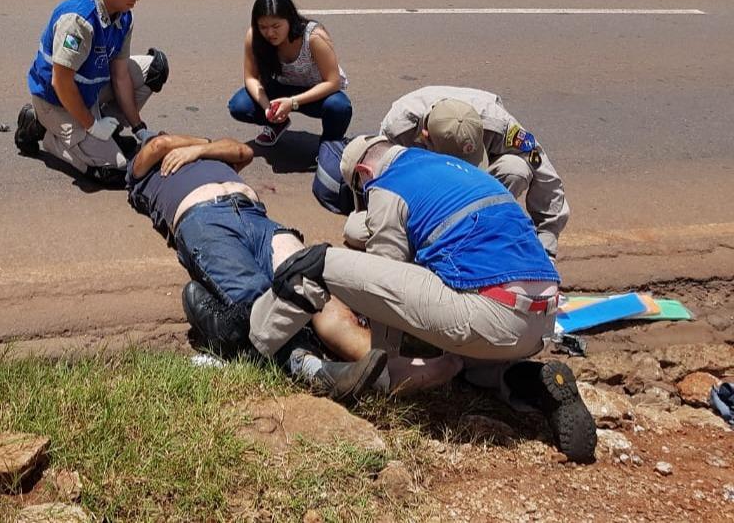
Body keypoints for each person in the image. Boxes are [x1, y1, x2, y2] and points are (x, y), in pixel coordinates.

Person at [250, 135, 597, 462]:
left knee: (313, 263)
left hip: (490, 312)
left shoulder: (388, 185)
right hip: (539, 320)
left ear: (363, 173)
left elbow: (383, 279)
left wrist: (381, 357)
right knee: (472, 365)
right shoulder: (448, 168)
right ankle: (528, 381)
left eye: (359, 191)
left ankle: (256, 349)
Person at [125, 130, 388, 401]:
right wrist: (196, 145)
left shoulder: (206, 155)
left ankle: (386, 370)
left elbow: (243, 152)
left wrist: (198, 150)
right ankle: (313, 368)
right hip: (204, 218)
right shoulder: (141, 173)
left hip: (254, 215)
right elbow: (159, 144)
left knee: (310, 283)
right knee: (259, 298)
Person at [15, 0, 169, 187]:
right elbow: (61, 83)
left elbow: (120, 76)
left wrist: (139, 128)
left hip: (90, 90)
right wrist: (92, 125)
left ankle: (105, 132)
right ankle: (42, 128)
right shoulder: (78, 21)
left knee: (155, 68)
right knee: (113, 172)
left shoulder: (124, 15)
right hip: (56, 101)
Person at [377, 86, 569, 257]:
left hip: (477, 188)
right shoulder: (398, 129)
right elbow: (380, 182)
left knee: (515, 169)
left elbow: (544, 173)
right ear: (425, 137)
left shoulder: (497, 123)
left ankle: (482, 229)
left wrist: (547, 242)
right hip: (424, 188)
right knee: (361, 231)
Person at [228, 0, 351, 148]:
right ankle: (277, 124)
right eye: (263, 27)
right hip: (280, 87)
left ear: (290, 19)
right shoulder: (255, 36)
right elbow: (250, 78)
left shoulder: (314, 37)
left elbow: (332, 82)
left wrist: (292, 102)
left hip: (316, 91)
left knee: (339, 107)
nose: (270, 33)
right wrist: (267, 107)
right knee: (239, 105)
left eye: (276, 26)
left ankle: (329, 146)